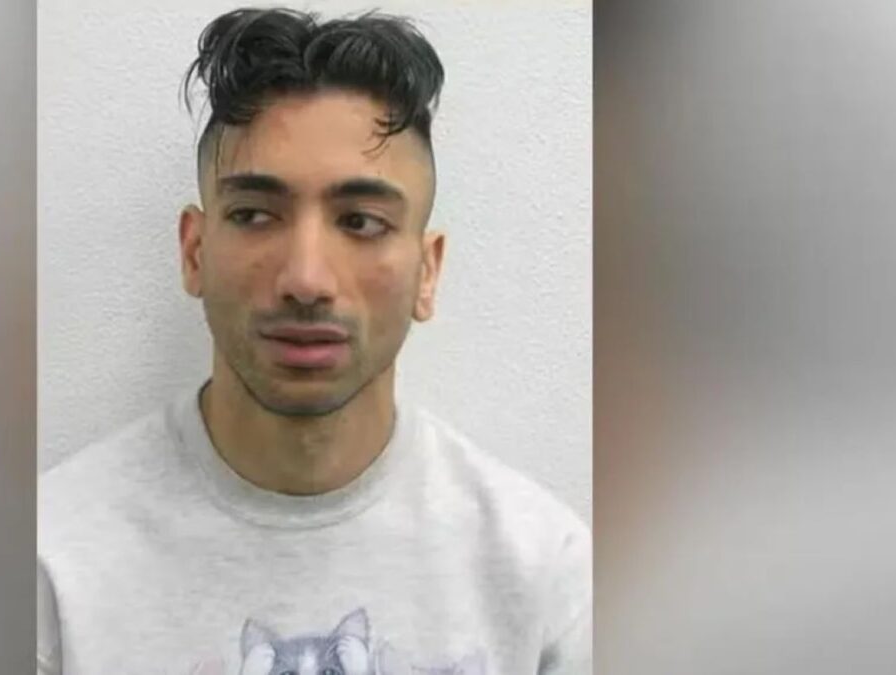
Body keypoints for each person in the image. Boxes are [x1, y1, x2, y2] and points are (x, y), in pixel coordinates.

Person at [38, 8, 590, 674]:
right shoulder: (50, 565)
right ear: (194, 251)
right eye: (254, 215)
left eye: (361, 221)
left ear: (427, 271)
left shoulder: (545, 576)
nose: (306, 278)